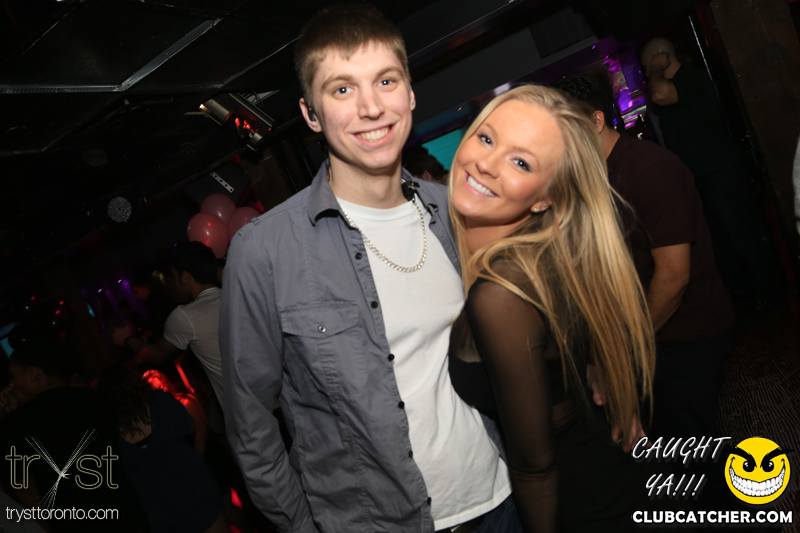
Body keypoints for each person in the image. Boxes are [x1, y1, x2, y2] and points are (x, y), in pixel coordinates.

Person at [221, 5, 522, 533]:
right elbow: (251, 427)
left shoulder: (456, 211)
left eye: (386, 81)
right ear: (311, 114)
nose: (371, 107)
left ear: (409, 92)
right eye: (342, 89)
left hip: (502, 499)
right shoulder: (264, 252)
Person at [446, 84, 655, 532]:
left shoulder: (503, 291)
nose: (486, 163)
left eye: (521, 162)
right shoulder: (553, 252)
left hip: (587, 502)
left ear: (544, 198)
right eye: (486, 138)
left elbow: (534, 467)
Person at [551, 75, 734, 442]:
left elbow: (673, 276)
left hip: (685, 334)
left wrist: (628, 350)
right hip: (653, 334)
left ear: (595, 121)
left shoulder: (650, 170)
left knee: (687, 445)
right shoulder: (595, 176)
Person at [640, 37, 777, 318]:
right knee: (721, 243)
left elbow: (660, 94)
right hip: (701, 177)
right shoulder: (674, 86)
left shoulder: (691, 79)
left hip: (720, 172)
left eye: (646, 67)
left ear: (661, 57)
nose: (645, 74)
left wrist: (655, 70)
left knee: (743, 237)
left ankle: (770, 296)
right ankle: (744, 299)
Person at [0, 338, 147, 532]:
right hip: (126, 515)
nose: (11, 385)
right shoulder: (96, 400)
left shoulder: (15, 425)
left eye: (14, 376)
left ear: (33, 374)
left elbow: (24, 489)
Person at [98, 365, 226, 533]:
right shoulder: (160, 402)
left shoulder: (109, 434)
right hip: (194, 489)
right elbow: (188, 426)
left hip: (162, 508)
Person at [115, 241, 225, 407]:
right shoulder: (235, 293)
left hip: (245, 409)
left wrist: (127, 340)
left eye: (174, 276)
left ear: (185, 277)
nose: (172, 283)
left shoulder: (184, 316)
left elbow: (156, 355)